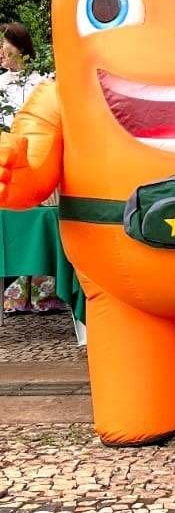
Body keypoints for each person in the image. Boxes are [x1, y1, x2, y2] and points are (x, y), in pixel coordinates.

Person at [1, 22, 65, 315]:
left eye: (5, 44)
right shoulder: (1, 84)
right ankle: (17, 290)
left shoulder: (41, 81)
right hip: (10, 164)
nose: (1, 51)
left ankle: (45, 290)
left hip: (40, 159)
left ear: (20, 46)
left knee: (43, 224)